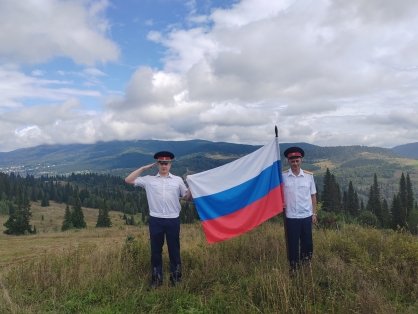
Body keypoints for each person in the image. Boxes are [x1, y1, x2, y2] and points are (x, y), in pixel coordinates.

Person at [125, 151, 190, 287]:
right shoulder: (149, 179)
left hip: (173, 219)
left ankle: (176, 278)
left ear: (170, 164)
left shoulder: (178, 180)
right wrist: (143, 168)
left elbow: (186, 197)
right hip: (156, 220)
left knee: (174, 250)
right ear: (157, 164)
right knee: (155, 251)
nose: (164, 165)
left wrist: (193, 187)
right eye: (161, 163)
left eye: (166, 163)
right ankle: (156, 279)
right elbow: (128, 180)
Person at [282, 146, 317, 272]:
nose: (295, 163)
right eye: (292, 161)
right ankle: (293, 267)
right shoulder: (283, 177)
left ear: (301, 160)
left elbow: (313, 195)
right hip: (291, 217)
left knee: (307, 243)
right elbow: (278, 194)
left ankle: (306, 264)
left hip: (306, 216)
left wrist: (314, 213)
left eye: (297, 160)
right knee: (292, 244)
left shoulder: (309, 176)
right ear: (288, 161)